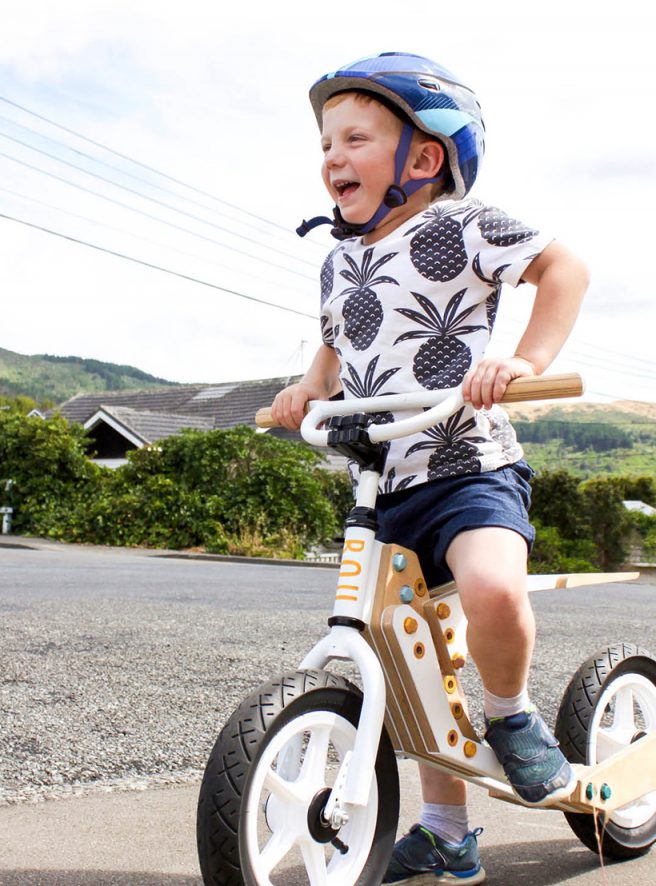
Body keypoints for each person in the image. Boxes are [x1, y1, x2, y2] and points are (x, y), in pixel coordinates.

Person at [271, 52, 589, 885]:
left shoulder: (462, 224)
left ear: (423, 157)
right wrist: (307, 389)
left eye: (356, 138)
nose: (332, 157)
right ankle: (447, 831)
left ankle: (512, 715)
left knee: (489, 590)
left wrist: (524, 360)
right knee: (407, 661)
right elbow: (339, 341)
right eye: (326, 144)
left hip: (469, 465)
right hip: (383, 484)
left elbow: (565, 268)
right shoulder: (338, 259)